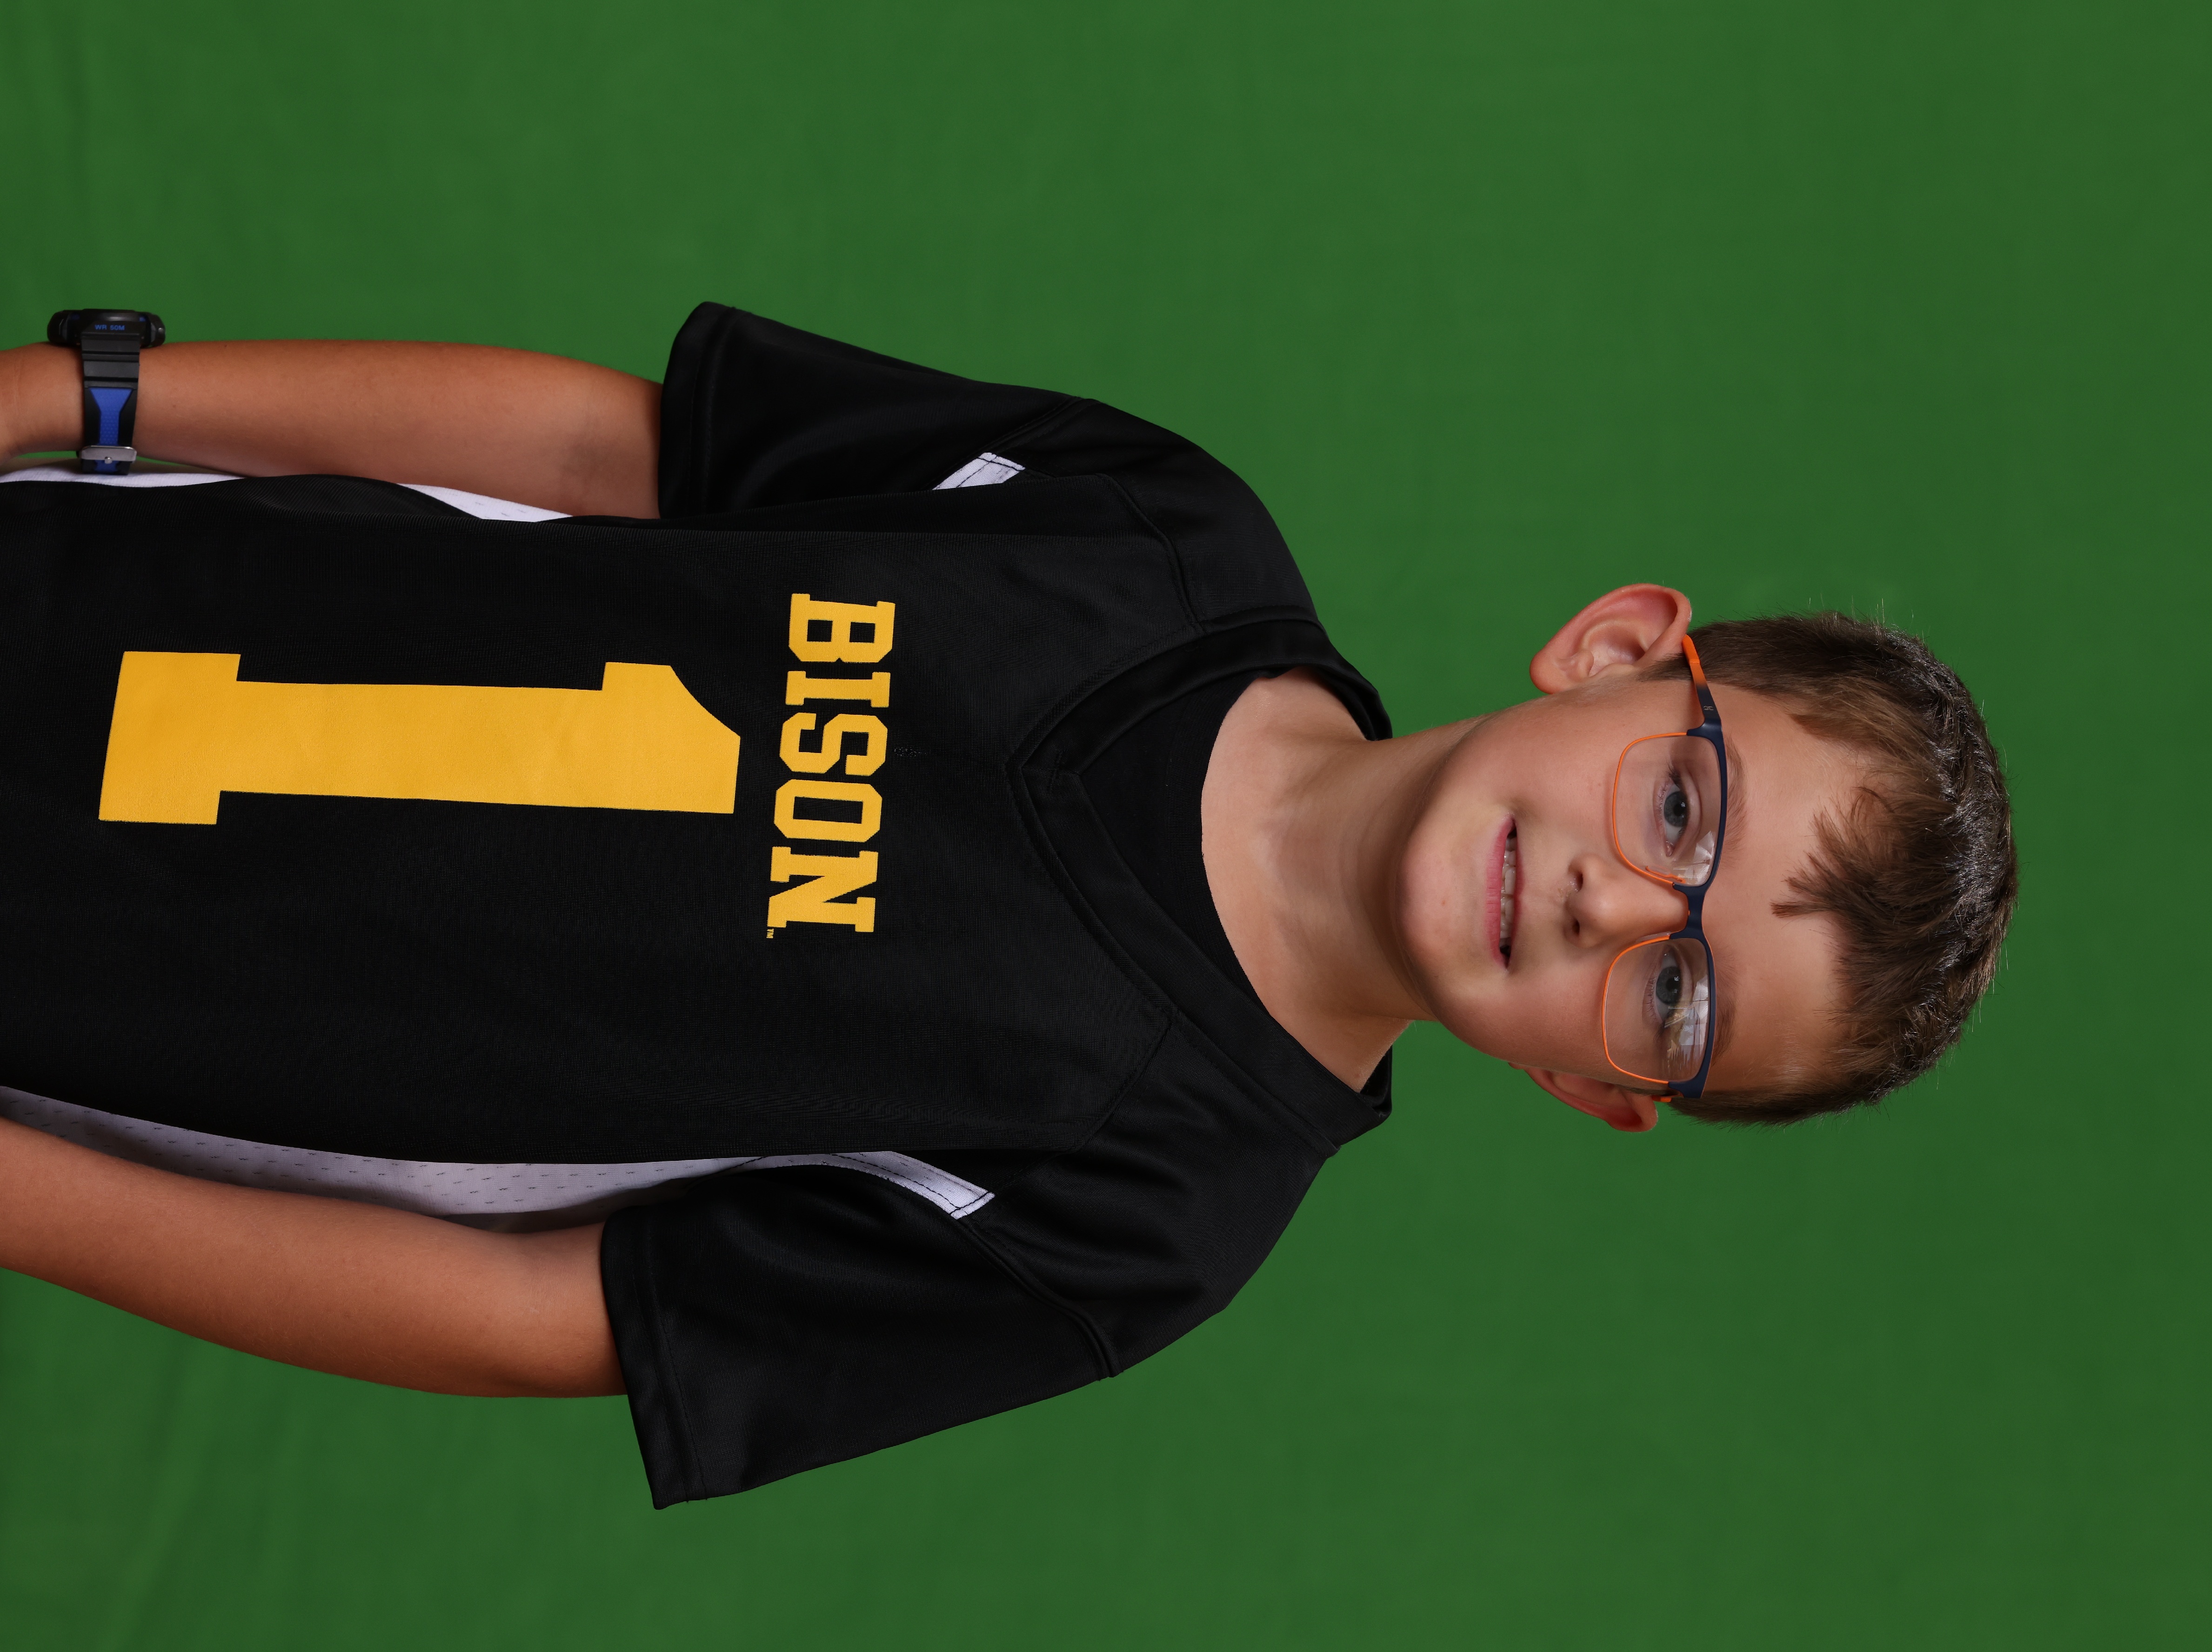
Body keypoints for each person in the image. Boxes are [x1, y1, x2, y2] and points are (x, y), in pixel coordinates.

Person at [0, 305, 2017, 1505]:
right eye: (1681, 806)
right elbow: (615, 449)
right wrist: (84, 395)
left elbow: (531, 1314)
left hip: (78, 1000)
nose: (1606, 905)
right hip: (83, 583)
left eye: (1678, 998)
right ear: (1618, 648)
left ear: (1601, 1089)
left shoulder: (1142, 1222)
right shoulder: (1156, 533)